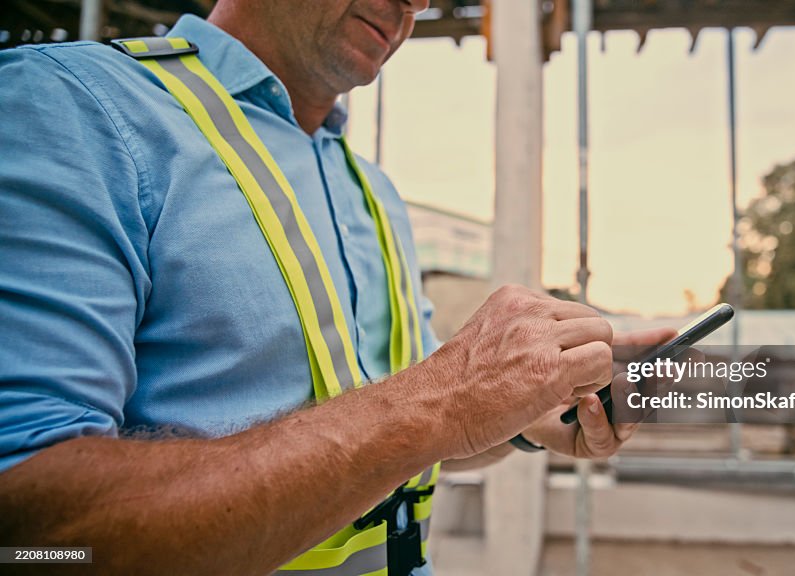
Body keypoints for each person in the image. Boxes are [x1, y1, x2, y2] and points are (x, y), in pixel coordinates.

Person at [0, 1, 675, 574]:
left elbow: (396, 445)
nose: (415, 3)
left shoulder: (371, 190)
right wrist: (445, 398)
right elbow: (32, 531)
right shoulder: (68, 109)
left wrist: (526, 414)